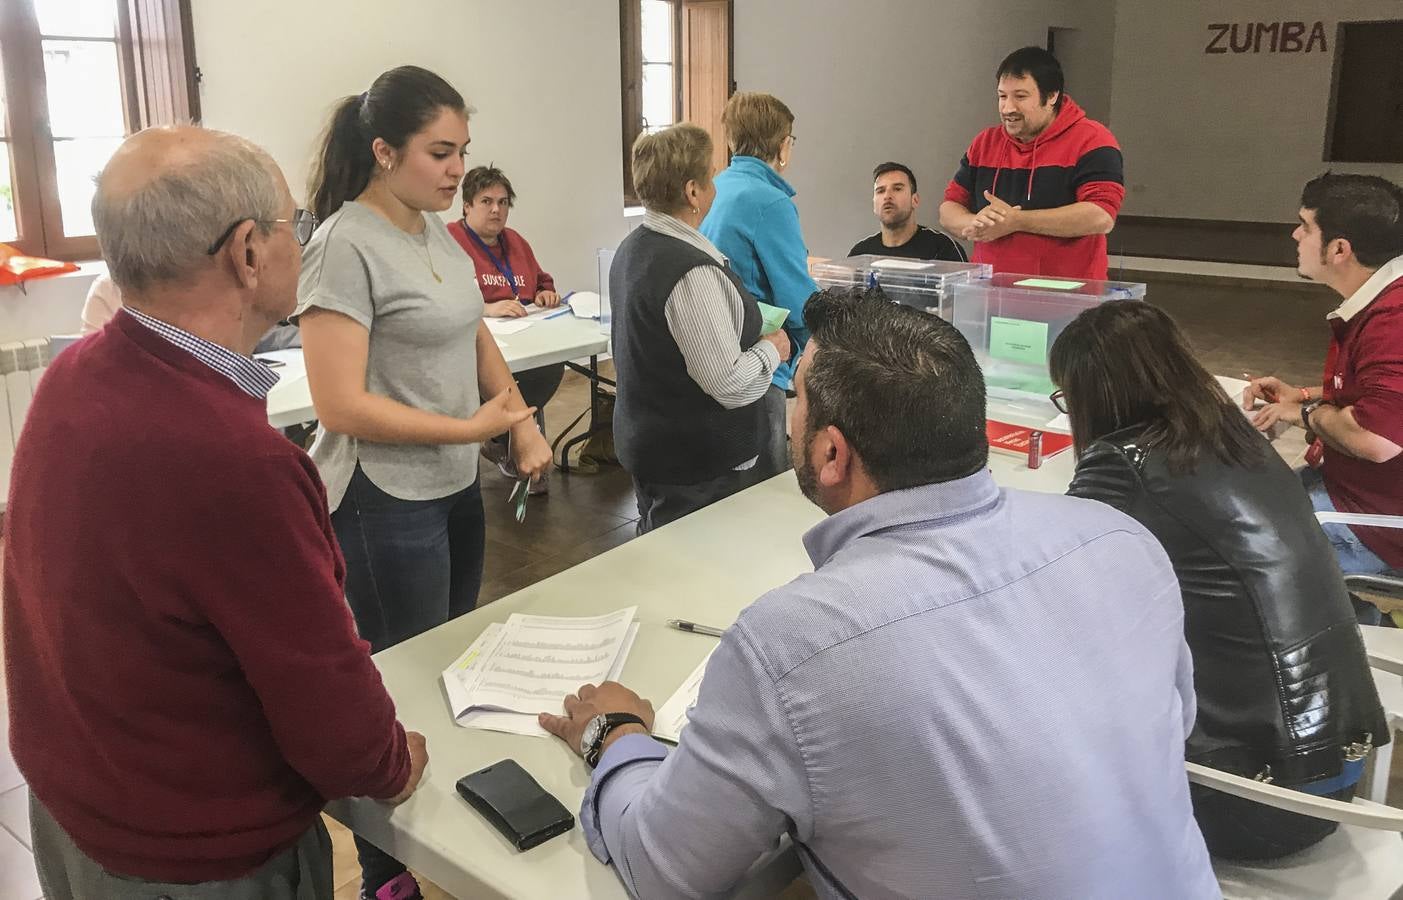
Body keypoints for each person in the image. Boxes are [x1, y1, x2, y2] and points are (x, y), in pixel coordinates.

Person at [539, 286, 1217, 899]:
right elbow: (1167, 727)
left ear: (831, 454)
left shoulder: (790, 645)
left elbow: (665, 869)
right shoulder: (1116, 538)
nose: (787, 415)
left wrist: (616, 734)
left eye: (795, 398)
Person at [4, 125, 427, 900]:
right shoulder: (236, 463)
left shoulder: (73, 374)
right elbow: (328, 712)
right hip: (192, 856)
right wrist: (392, 763)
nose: (299, 242)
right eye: (291, 225)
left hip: (77, 807)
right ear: (247, 252)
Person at [295, 66, 548, 900]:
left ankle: (435, 846)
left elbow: (474, 334)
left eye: (462, 152)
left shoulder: (433, 229)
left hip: (447, 485)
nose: (455, 170)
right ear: (382, 150)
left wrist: (518, 418)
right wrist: (473, 428)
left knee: (445, 667)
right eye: (439, 153)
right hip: (379, 499)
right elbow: (340, 403)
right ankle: (387, 876)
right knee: (392, 693)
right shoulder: (343, 241)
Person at [1052, 300, 1388, 860]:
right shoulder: (1235, 436)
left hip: (1254, 795)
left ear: (1093, 394)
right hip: (1334, 768)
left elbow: (1057, 582)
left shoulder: (1123, 460)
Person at [610, 123, 790, 534]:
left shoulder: (633, 246)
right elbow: (729, 384)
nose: (716, 185)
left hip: (651, 445)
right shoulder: (689, 272)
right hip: (693, 464)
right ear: (693, 192)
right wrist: (772, 349)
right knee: (693, 569)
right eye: (710, 176)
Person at [1243, 173, 1403, 623]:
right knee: (1243, 496)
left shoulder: (1394, 319)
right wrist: (1307, 394)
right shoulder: (1378, 301)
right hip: (1354, 491)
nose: (1295, 235)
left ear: (1339, 249)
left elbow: (1375, 438)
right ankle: (1353, 628)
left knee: (1228, 551)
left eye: (1306, 226)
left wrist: (1305, 412)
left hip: (1377, 522)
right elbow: (1374, 397)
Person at [700, 91, 816, 474]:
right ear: (783, 146)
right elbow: (799, 300)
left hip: (715, 349)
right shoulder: (770, 202)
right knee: (765, 485)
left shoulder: (716, 188)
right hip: (758, 356)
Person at [939, 46, 1124, 279]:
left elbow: (1100, 216)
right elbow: (948, 209)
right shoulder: (985, 143)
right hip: (989, 293)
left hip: (1067, 296)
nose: (1008, 108)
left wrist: (1018, 221)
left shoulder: (1093, 140)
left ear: (1052, 96)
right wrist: (974, 222)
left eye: (1020, 96)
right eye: (1002, 96)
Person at [448, 164, 562, 494]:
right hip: (477, 347)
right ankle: (503, 440)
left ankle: (509, 440)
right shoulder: (449, 241)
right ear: (467, 206)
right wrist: (484, 308)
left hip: (526, 335)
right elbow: (442, 299)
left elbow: (541, 279)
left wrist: (545, 292)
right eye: (486, 201)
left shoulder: (515, 242)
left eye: (503, 202)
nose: (497, 209)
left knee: (549, 365)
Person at [848, 162, 967, 261]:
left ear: (915, 200)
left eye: (897, 189)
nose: (887, 196)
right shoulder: (860, 254)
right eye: (880, 191)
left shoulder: (943, 248)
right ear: (874, 203)